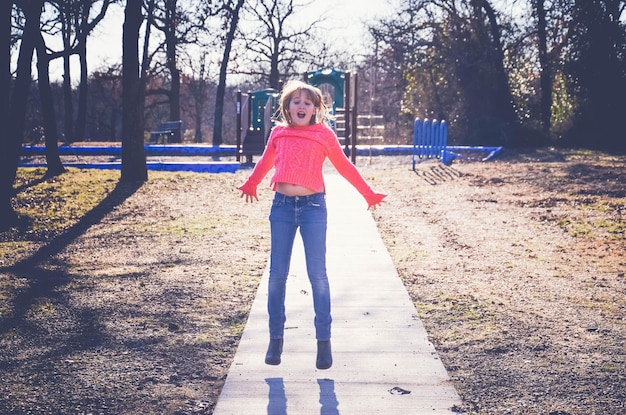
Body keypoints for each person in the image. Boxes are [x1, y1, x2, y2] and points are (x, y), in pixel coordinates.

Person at [238, 80, 386, 370]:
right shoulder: (278, 133)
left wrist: (368, 192)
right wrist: (252, 182)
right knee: (277, 274)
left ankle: (323, 342)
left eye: (308, 102)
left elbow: (344, 166)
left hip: (313, 208)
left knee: (317, 275)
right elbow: (267, 161)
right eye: (296, 102)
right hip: (281, 207)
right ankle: (275, 339)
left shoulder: (323, 134)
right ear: (288, 107)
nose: (302, 106)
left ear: (316, 108)